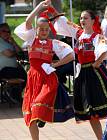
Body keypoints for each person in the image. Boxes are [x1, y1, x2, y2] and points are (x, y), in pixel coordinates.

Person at [14, 1, 74, 140]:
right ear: (36, 30)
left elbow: (70, 55)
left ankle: (41, 116)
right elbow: (28, 21)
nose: (44, 32)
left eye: (47, 29)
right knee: (29, 115)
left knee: (36, 107)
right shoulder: (31, 39)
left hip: (47, 79)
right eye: (41, 29)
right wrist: (40, 7)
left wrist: (55, 65)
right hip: (33, 78)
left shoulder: (53, 43)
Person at [54, 10, 107, 140]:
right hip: (82, 75)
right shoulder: (79, 34)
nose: (82, 20)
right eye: (81, 18)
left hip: (94, 74)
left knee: (103, 107)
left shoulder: (97, 36)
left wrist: (97, 63)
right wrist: (52, 10)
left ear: (93, 20)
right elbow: (65, 23)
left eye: (85, 18)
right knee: (90, 111)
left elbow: (105, 50)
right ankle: (101, 138)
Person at [0, 23, 27, 102]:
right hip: (2, 70)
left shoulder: (9, 42)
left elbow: (20, 53)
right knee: (22, 74)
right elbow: (9, 54)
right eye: (4, 31)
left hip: (11, 69)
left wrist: (14, 42)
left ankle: (14, 95)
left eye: (8, 31)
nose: (7, 33)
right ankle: (13, 95)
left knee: (25, 75)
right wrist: (15, 52)